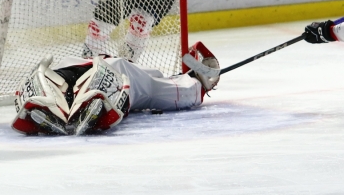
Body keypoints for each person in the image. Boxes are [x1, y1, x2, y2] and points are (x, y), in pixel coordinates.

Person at [11, 42, 219, 136]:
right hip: (113, 72)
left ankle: (50, 107)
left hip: (65, 69)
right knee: (124, 86)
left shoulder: (77, 58)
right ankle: (91, 105)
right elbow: (182, 92)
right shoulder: (142, 74)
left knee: (53, 82)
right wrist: (202, 81)